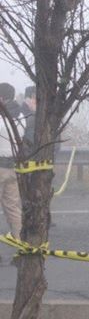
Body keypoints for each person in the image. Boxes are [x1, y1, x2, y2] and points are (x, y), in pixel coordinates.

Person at [0, 82, 23, 236]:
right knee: (13, 208)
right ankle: (20, 242)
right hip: (14, 167)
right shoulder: (21, 116)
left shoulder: (1, 120)